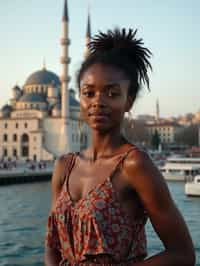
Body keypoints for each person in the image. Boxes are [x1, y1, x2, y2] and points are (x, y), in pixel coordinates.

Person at [44, 28, 195, 266]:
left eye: (112, 93)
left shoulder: (134, 164)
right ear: (79, 98)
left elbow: (182, 253)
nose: (98, 102)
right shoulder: (64, 166)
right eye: (89, 93)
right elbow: (53, 245)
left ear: (129, 100)